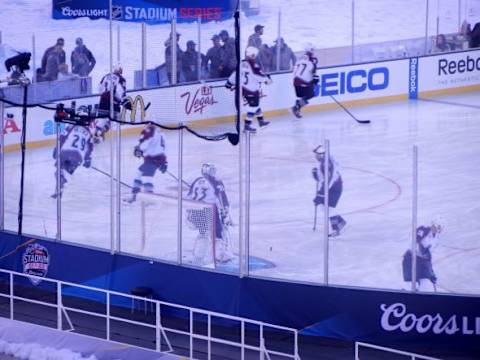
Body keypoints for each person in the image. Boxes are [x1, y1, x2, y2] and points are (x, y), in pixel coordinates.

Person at [187, 163, 233, 265]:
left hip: (194, 212)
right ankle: (219, 255)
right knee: (219, 232)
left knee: (203, 233)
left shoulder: (196, 181)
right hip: (209, 211)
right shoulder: (216, 182)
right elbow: (222, 199)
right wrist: (225, 213)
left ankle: (198, 256)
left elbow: (189, 197)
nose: (214, 172)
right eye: (212, 170)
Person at [225, 46, 272, 132]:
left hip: (244, 89)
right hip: (252, 90)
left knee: (255, 105)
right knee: (253, 106)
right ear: (253, 55)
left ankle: (261, 121)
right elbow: (258, 76)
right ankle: (247, 125)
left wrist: (229, 82)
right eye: (255, 55)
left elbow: (235, 74)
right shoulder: (253, 64)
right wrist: (267, 80)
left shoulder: (241, 63)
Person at [51, 110, 94, 199]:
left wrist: (56, 149)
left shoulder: (71, 126)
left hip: (65, 152)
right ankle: (59, 191)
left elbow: (62, 138)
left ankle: (59, 189)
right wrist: (87, 159)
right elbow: (90, 148)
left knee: (59, 172)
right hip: (78, 157)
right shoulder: (89, 132)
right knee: (64, 172)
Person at [124, 124, 168, 204]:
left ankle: (149, 198)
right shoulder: (161, 133)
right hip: (157, 159)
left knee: (146, 177)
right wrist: (164, 162)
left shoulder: (149, 131)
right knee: (139, 174)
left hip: (152, 159)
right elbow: (163, 148)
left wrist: (138, 149)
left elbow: (144, 144)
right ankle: (135, 195)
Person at [312, 145, 346, 237]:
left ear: (321, 155)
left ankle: (337, 227)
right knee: (325, 207)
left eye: (317, 155)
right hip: (331, 187)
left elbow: (328, 180)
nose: (315, 157)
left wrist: (321, 194)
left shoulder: (326, 164)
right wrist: (316, 175)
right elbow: (323, 178)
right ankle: (340, 222)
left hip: (334, 188)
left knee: (329, 208)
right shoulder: (324, 162)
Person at [402, 223, 442, 292]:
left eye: (439, 227)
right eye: (436, 226)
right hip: (410, 259)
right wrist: (421, 249)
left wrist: (432, 274)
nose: (437, 229)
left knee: (425, 284)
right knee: (411, 285)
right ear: (433, 224)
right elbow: (416, 241)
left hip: (422, 262)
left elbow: (428, 256)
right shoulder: (424, 229)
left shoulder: (436, 240)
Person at [291, 43, 319, 118]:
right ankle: (296, 107)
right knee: (311, 94)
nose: (314, 51)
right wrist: (315, 80)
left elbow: (295, 69)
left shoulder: (300, 58)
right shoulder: (313, 60)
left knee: (301, 96)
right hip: (303, 81)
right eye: (313, 50)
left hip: (295, 81)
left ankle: (297, 108)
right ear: (311, 50)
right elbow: (314, 74)